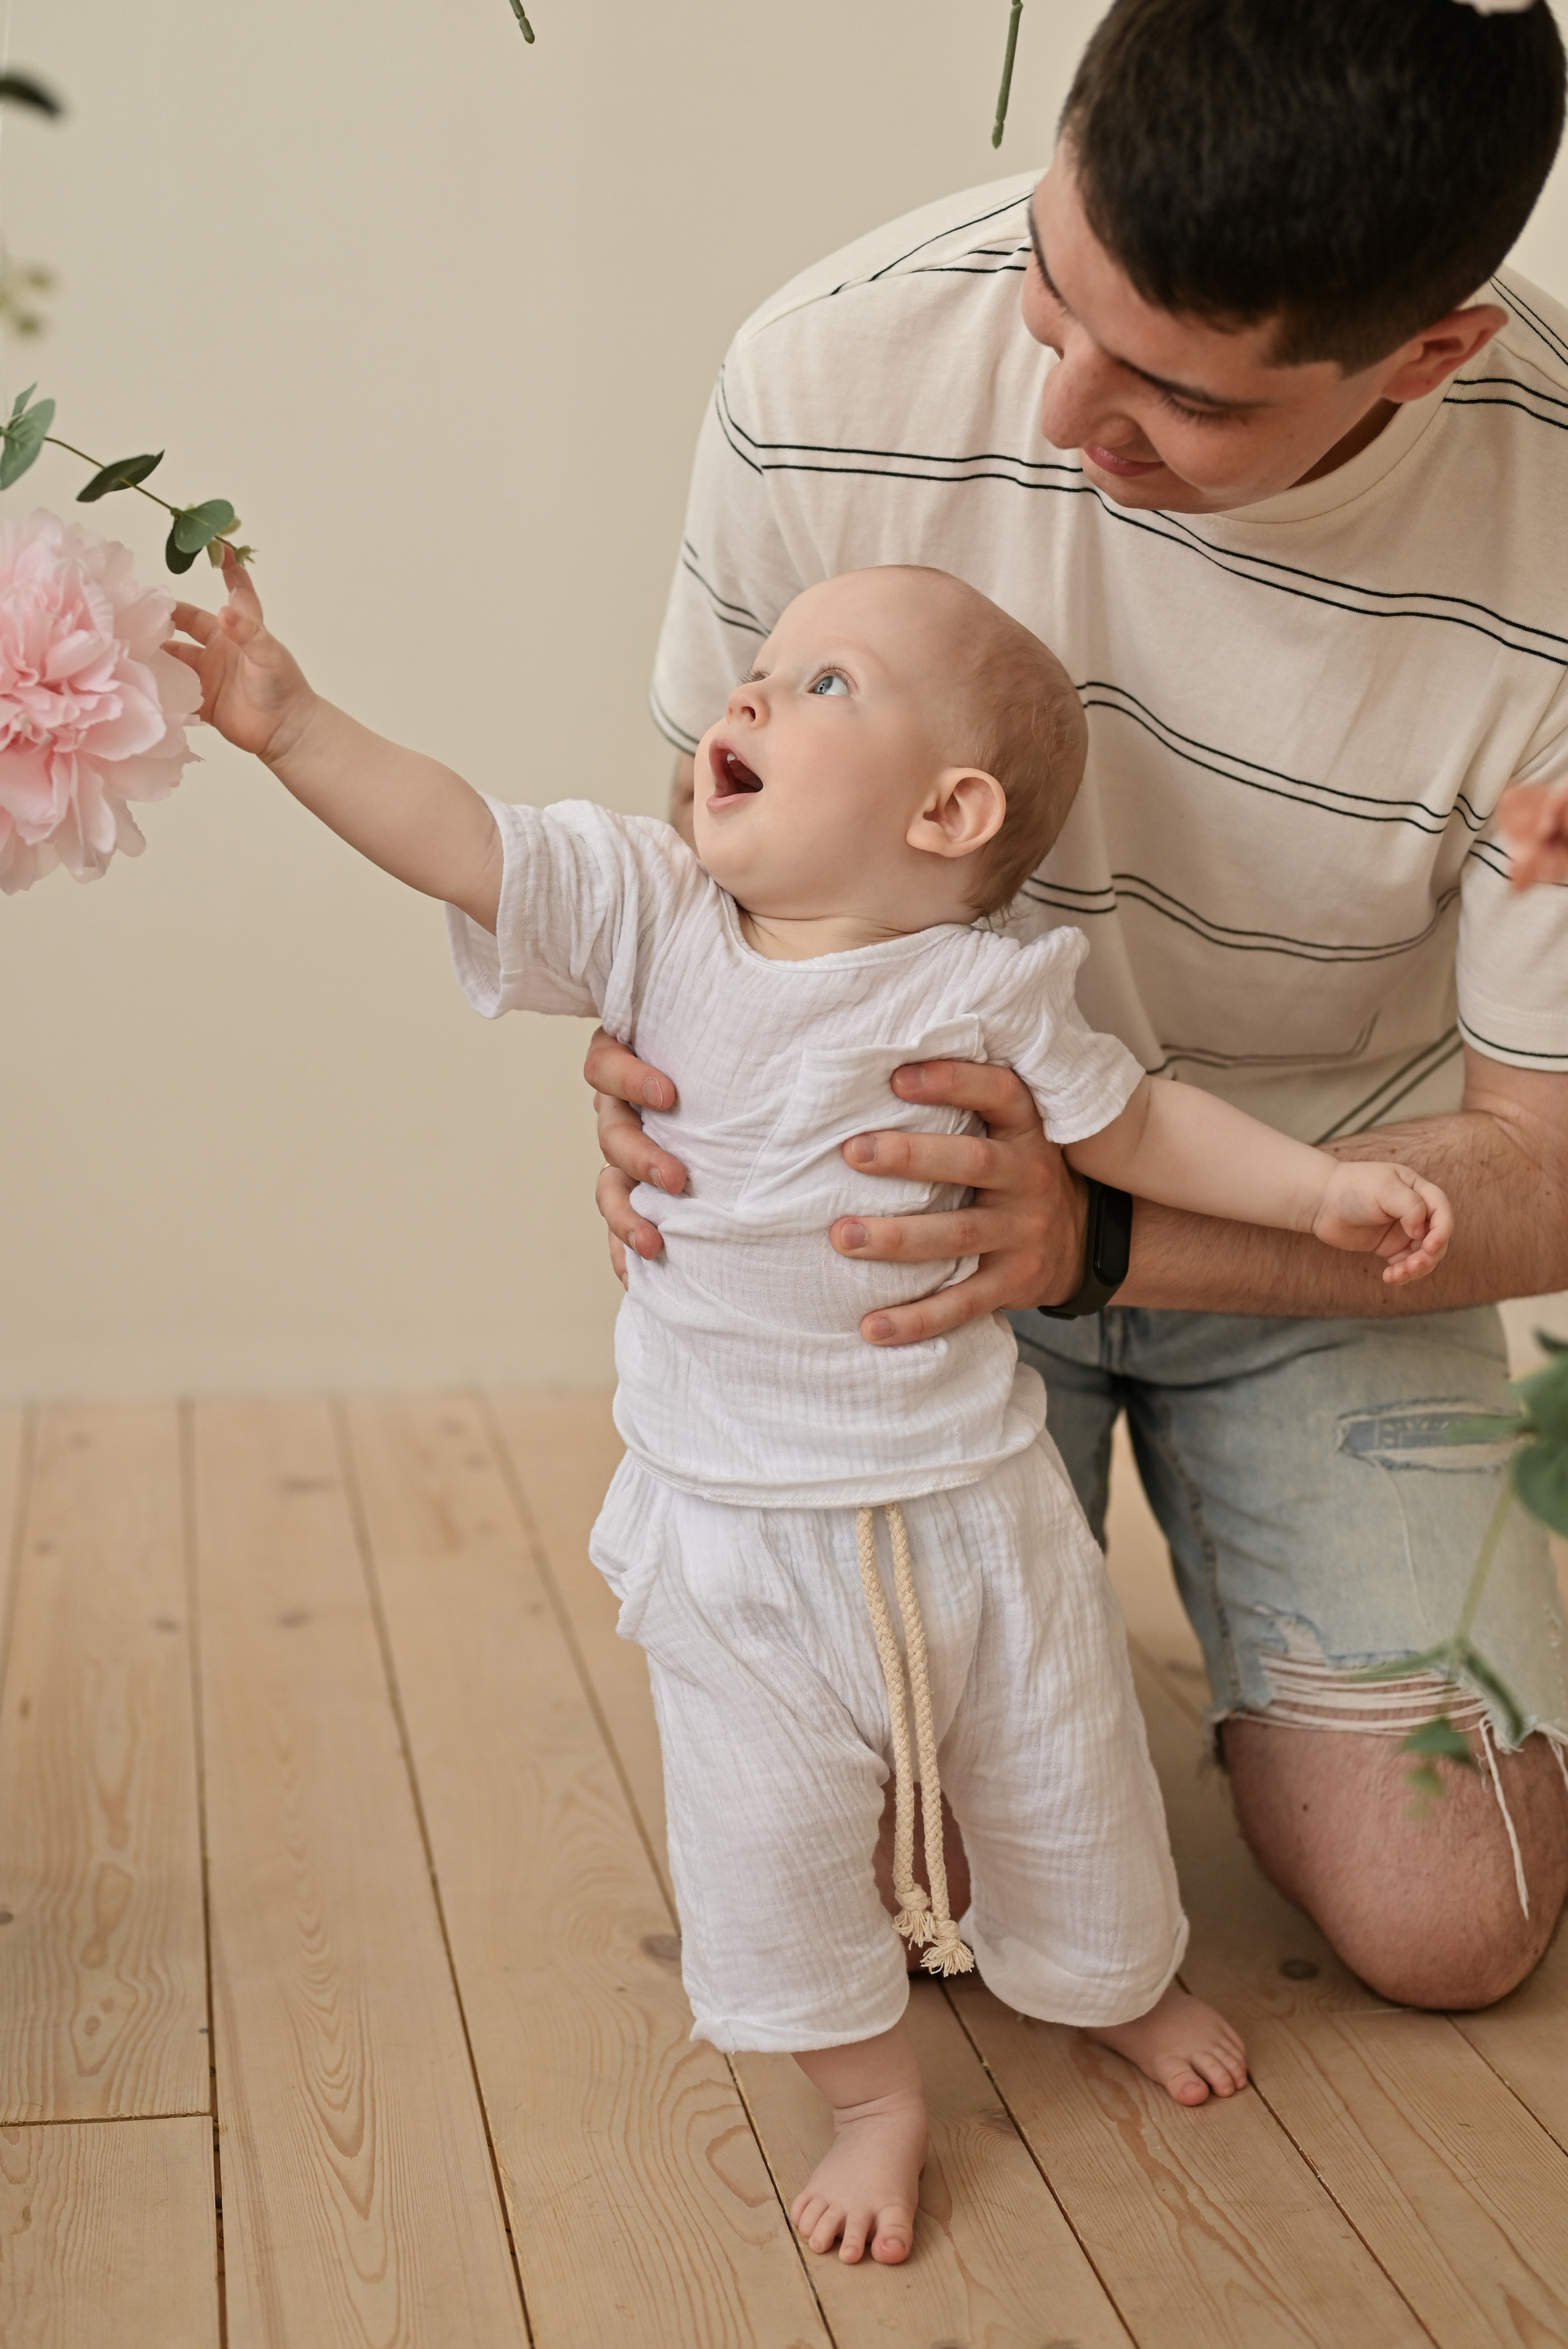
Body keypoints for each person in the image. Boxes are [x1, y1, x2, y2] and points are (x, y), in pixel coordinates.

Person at [169, 554, 1452, 2265]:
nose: (752, 695)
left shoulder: (988, 986)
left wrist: (1318, 1195)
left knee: (1063, 1778)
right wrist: (295, 725)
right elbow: (464, 836)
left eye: (824, 682)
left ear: (951, 807)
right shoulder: (650, 912)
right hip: (737, 1527)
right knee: (767, 1840)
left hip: (971, 1502)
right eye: (761, 671)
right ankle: (873, 2096)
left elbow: (1141, 1130)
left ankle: (1117, 1984)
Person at [593, 0, 1568, 2010]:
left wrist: (1118, 1226)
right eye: (1055, 293)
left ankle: (1221, 1614)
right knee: (907, 1896)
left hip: (1321, 1225)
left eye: (1181, 395)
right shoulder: (822, 368)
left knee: (1457, 1923)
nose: (1062, 415)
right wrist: (649, 1065)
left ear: (1428, 353)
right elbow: (707, 864)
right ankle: (1053, 1651)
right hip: (911, 1234)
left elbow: (1550, 1164)